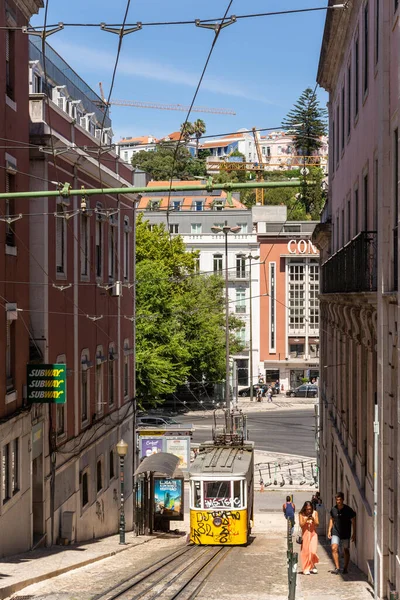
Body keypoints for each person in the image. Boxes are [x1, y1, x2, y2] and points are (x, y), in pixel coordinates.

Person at [327, 492, 356, 575]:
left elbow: (353, 520)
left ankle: (345, 568)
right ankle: (337, 568)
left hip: (346, 532)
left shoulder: (348, 509)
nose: (338, 501)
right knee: (334, 548)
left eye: (339, 500)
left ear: (343, 500)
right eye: (337, 500)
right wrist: (329, 530)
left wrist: (354, 533)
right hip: (336, 532)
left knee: (345, 550)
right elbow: (332, 519)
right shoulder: (333, 509)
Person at [299, 500, 319, 575]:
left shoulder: (315, 513)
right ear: (304, 508)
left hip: (313, 534)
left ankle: (313, 565)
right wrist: (306, 519)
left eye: (310, 509)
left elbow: (317, 524)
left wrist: (313, 519)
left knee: (313, 551)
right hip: (305, 534)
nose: (309, 511)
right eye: (307, 509)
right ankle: (306, 568)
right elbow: (301, 524)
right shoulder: (301, 514)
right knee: (305, 552)